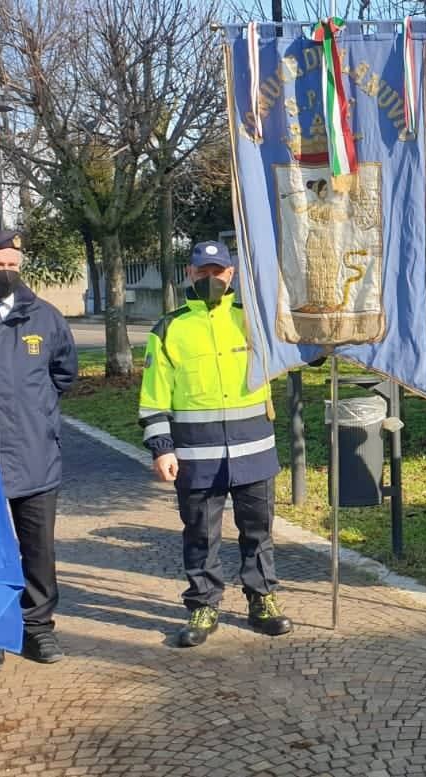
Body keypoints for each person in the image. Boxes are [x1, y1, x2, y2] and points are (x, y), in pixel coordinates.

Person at [139, 240, 293, 647]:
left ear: (231, 275)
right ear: (190, 273)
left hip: (254, 449)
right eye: (202, 272)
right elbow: (154, 395)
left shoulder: (253, 321)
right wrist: (162, 448)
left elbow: (296, 348)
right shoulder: (169, 328)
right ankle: (203, 604)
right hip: (195, 455)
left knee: (258, 531)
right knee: (201, 534)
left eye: (218, 272)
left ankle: (262, 599)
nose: (211, 279)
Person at [0, 229, 78, 673]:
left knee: (38, 549)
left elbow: (63, 374)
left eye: (14, 265)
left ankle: (38, 628)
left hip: (34, 454)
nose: (7, 273)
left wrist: (39, 417)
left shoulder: (45, 317)